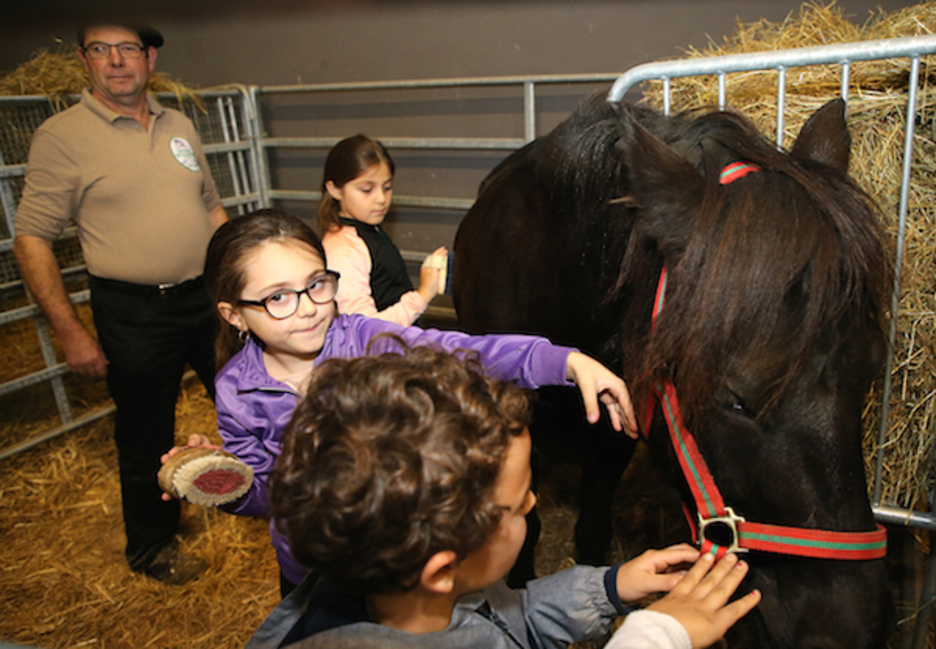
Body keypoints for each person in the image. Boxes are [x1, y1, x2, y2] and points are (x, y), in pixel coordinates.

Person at [165, 208, 637, 598]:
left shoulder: (366, 340)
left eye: (316, 284)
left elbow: (466, 353)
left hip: (397, 559)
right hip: (310, 571)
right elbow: (265, 496)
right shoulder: (234, 389)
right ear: (234, 315)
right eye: (278, 298)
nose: (308, 306)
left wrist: (565, 361)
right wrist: (224, 481)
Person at [244, 348, 761, 649]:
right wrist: (656, 634)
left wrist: (611, 587)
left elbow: (505, 618)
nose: (535, 503)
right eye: (517, 505)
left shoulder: (403, 590)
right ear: (443, 569)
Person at [13, 23, 228, 585]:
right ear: (84, 61)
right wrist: (69, 329)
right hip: (134, 312)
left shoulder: (178, 123)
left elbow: (211, 207)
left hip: (205, 299)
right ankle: (154, 545)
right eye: (101, 50)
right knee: (145, 432)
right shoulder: (62, 137)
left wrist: (239, 289)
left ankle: (263, 500)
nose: (116, 61)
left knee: (246, 399)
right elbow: (32, 236)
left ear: (150, 57)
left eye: (127, 48)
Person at [319, 134, 447, 325]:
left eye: (387, 187)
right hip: (381, 351)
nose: (381, 199)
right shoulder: (343, 252)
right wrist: (423, 295)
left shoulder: (367, 230)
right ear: (335, 189)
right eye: (366, 190)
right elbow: (364, 330)